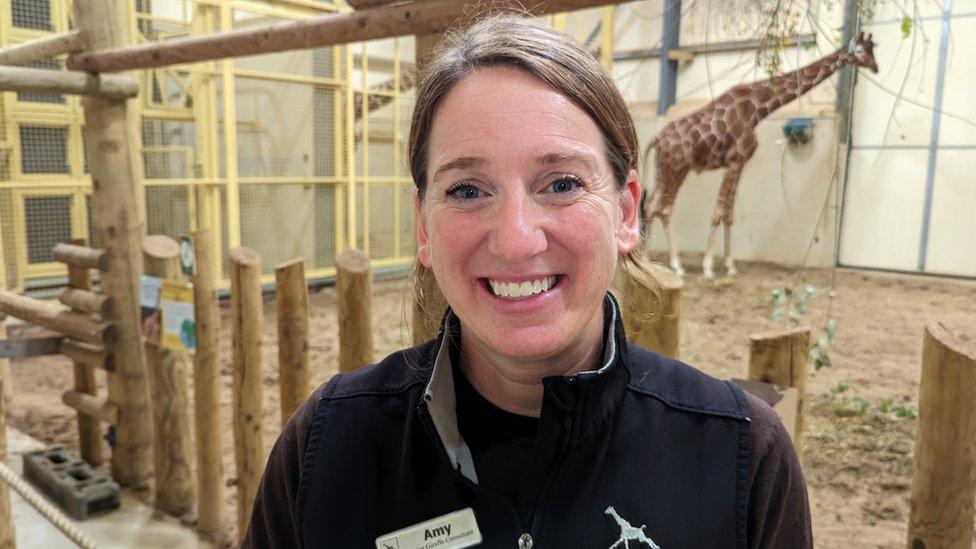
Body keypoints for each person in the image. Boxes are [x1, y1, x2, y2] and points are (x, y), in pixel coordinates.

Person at [244, 13, 812, 549]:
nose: (516, 239)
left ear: (628, 211)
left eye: (561, 183)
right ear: (423, 225)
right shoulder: (325, 445)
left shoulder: (743, 460)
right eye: (467, 190)